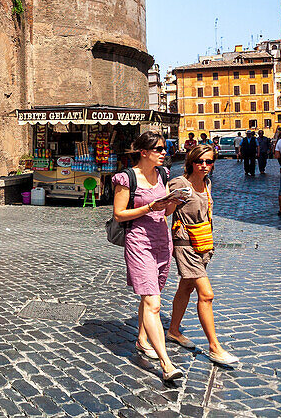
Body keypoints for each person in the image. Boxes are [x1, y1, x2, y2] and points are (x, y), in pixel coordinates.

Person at [112, 130, 188, 383]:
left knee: (151, 295)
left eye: (164, 148)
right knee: (153, 302)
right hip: (138, 242)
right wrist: (147, 207)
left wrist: (175, 200)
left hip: (161, 240)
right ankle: (166, 365)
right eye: (158, 149)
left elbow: (165, 212)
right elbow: (119, 215)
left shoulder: (163, 174)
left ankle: (142, 340)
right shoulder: (126, 178)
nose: (164, 153)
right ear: (143, 152)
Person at [165, 144, 239, 367]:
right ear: (191, 162)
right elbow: (165, 210)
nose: (204, 166)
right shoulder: (180, 183)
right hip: (185, 244)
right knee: (206, 294)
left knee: (186, 287)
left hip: (203, 243)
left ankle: (174, 330)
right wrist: (173, 202)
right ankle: (215, 348)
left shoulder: (207, 183)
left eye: (209, 162)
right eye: (200, 162)